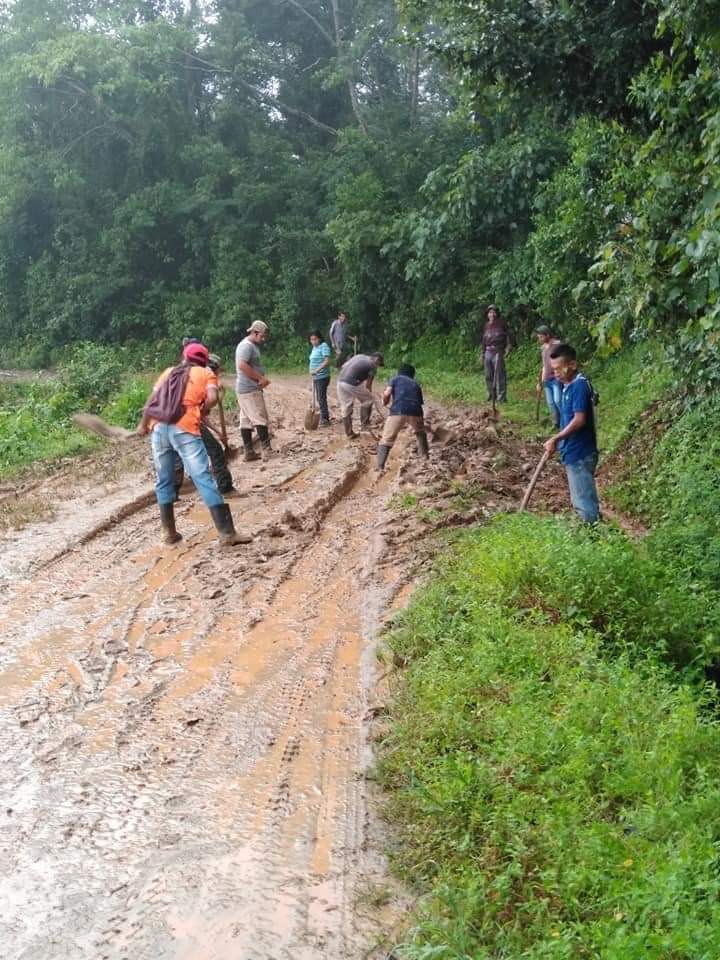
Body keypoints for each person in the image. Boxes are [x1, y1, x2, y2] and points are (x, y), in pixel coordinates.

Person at [137, 342, 251, 546]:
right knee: (202, 477)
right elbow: (213, 397)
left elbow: (151, 401)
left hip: (159, 428)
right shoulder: (205, 373)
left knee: (163, 479)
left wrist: (143, 425)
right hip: (185, 429)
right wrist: (202, 409)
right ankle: (227, 533)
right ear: (204, 360)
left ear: (184, 357)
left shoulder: (169, 372)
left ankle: (169, 533)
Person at [543, 343, 600, 524]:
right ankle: (591, 534)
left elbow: (579, 420)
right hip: (572, 451)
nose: (556, 373)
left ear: (573, 365)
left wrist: (556, 438)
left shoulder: (579, 386)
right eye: (553, 370)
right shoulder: (566, 386)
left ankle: (592, 538)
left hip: (580, 453)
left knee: (584, 501)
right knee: (580, 498)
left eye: (559, 369)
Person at [376, 363, 428, 471]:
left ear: (399, 372)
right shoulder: (416, 384)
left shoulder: (395, 379)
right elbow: (419, 402)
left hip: (398, 410)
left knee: (387, 438)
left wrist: (384, 402)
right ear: (412, 375)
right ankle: (425, 457)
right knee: (420, 432)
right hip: (416, 411)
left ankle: (380, 466)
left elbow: (387, 394)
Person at [235, 320, 272, 461]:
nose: (263, 338)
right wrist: (260, 378)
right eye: (262, 335)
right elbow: (242, 365)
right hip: (250, 389)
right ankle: (267, 450)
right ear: (255, 332)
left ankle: (249, 452)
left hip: (245, 388)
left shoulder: (249, 345)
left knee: (245, 419)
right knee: (260, 418)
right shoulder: (247, 347)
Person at [336, 352, 384, 438]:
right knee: (368, 400)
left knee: (346, 407)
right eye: (379, 364)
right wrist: (370, 393)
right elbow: (368, 385)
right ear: (377, 360)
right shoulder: (372, 365)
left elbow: (343, 366)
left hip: (340, 381)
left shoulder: (359, 356)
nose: (378, 366)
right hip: (351, 383)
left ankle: (349, 433)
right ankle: (364, 426)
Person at [535, 324, 563, 428]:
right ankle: (556, 423)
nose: (540, 339)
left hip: (556, 378)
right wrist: (540, 382)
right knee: (551, 403)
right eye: (539, 337)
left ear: (547, 335)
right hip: (547, 379)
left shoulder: (557, 345)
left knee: (558, 400)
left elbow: (563, 361)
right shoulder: (543, 348)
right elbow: (544, 366)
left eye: (541, 337)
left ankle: (566, 421)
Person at [482, 304, 510, 403]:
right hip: (488, 352)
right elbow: (484, 340)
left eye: (494, 312)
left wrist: (508, 348)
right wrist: (482, 354)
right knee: (488, 375)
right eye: (490, 312)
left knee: (500, 375)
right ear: (487, 314)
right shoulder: (486, 325)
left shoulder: (501, 324)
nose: (492, 314)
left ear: (497, 313)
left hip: (498, 351)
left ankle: (501, 397)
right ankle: (491, 394)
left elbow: (508, 336)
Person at [308, 330, 332, 427]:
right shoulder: (314, 348)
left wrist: (317, 370)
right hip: (316, 377)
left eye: (315, 339)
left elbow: (326, 361)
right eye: (311, 340)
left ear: (319, 338)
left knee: (321, 398)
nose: (313, 341)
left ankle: (325, 419)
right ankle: (323, 417)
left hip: (322, 376)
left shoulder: (324, 346)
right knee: (319, 397)